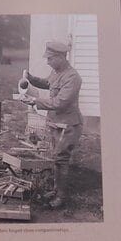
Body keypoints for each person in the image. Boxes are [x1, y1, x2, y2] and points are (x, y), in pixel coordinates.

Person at [21, 36, 82, 204]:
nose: (47, 62)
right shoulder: (57, 72)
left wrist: (35, 101)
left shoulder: (72, 77)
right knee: (56, 159)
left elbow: (60, 102)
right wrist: (32, 79)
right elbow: (48, 83)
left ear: (61, 57)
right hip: (56, 123)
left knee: (61, 159)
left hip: (69, 125)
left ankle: (62, 197)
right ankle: (56, 191)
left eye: (50, 58)